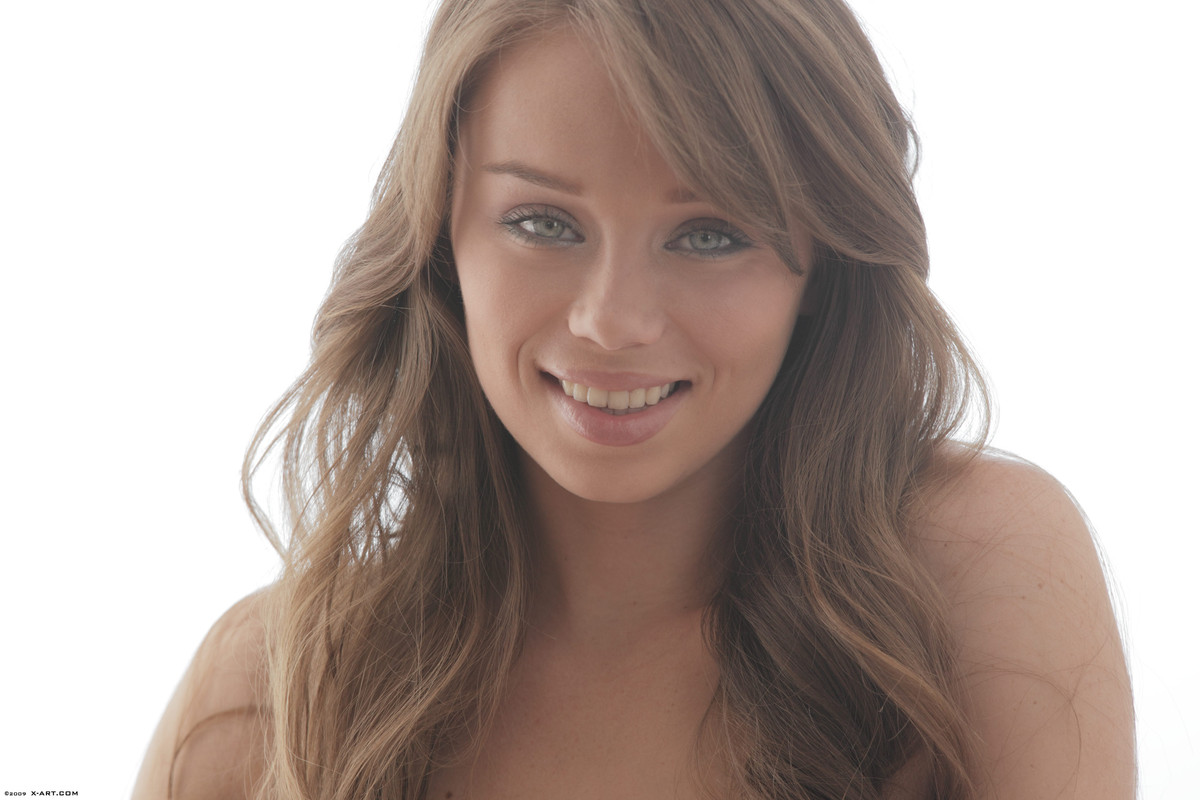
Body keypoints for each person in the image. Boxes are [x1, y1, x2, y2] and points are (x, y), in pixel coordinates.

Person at [133, 0, 1135, 797]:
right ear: (441, 236)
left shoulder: (972, 575)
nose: (611, 322)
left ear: (823, 263)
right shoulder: (276, 688)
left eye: (709, 235)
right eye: (542, 223)